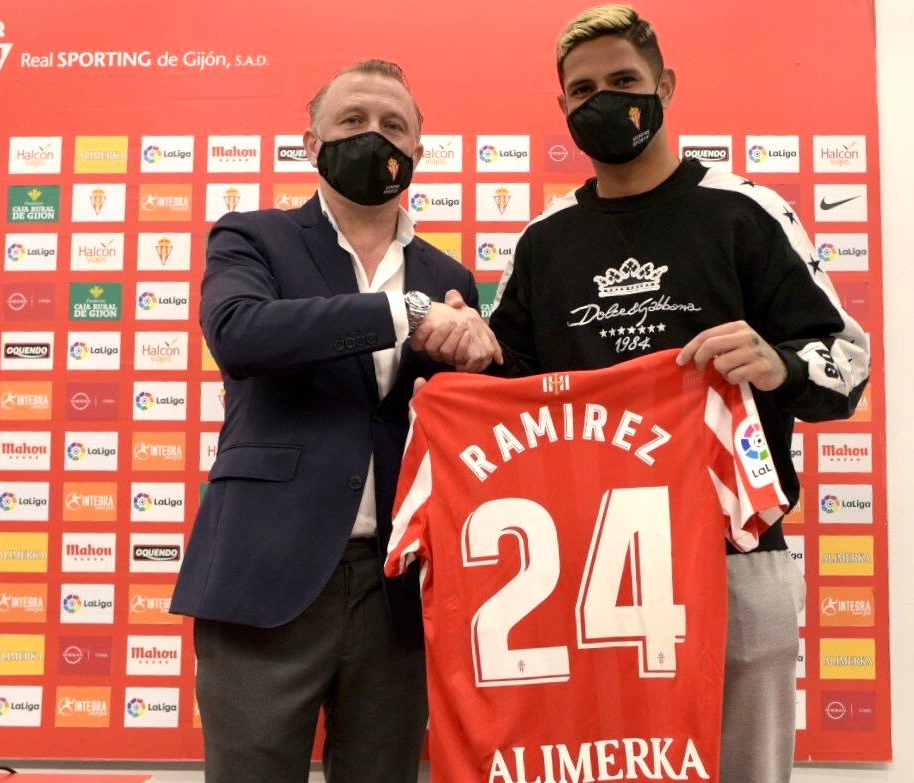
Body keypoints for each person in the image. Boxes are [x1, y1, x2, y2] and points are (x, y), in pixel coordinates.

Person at [462, 6, 872, 781]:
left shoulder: (744, 211)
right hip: (587, 564)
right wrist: (466, 350)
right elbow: (506, 391)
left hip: (734, 554)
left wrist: (778, 363)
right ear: (562, 107)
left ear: (666, 86)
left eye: (624, 80)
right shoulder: (544, 240)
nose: (604, 101)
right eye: (584, 90)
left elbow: (846, 364)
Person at [170, 59, 499, 783]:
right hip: (266, 572)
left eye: (392, 125)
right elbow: (240, 334)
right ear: (311, 142)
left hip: (399, 584)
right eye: (352, 120)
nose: (372, 136)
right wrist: (402, 313)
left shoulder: (448, 276)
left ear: (417, 150)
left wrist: (480, 363)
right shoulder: (252, 236)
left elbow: (456, 423)